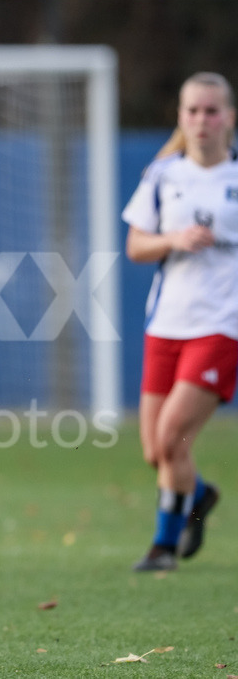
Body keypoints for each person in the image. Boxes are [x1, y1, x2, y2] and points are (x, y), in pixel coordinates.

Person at [123, 71, 236, 571]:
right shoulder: (163, 175)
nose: (201, 120)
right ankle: (200, 494)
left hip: (221, 326)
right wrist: (174, 239)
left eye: (211, 110)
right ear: (181, 117)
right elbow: (136, 246)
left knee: (172, 438)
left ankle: (163, 547)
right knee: (157, 450)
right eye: (193, 110)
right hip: (166, 325)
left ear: (229, 117)